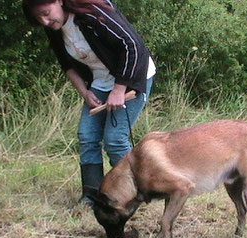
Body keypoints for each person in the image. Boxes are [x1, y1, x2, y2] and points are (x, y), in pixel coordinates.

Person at [22, 0, 155, 205]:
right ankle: (91, 195)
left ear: (59, 1)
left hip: (133, 76)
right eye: (38, 18)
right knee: (87, 136)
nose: (45, 21)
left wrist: (120, 89)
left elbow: (133, 46)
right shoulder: (55, 29)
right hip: (100, 81)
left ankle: (133, 194)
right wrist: (84, 92)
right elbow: (66, 64)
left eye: (46, 13)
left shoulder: (94, 15)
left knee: (115, 139)